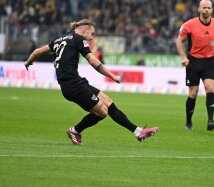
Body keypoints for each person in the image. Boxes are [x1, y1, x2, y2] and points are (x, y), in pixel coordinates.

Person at [24, 19, 158, 145]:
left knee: (108, 101)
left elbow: (37, 52)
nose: (92, 37)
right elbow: (93, 61)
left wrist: (28, 62)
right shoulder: (78, 39)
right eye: (92, 34)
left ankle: (138, 131)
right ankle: (75, 131)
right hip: (72, 85)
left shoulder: (59, 39)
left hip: (74, 82)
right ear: (85, 30)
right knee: (102, 112)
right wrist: (113, 76)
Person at [176, 0, 214, 131]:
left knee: (209, 88)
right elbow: (179, 41)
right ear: (199, 9)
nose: (206, 10)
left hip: (209, 61)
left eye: (208, 8)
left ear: (212, 10)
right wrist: (183, 57)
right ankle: (188, 121)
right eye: (203, 7)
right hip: (193, 61)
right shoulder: (189, 25)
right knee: (193, 93)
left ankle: (210, 121)